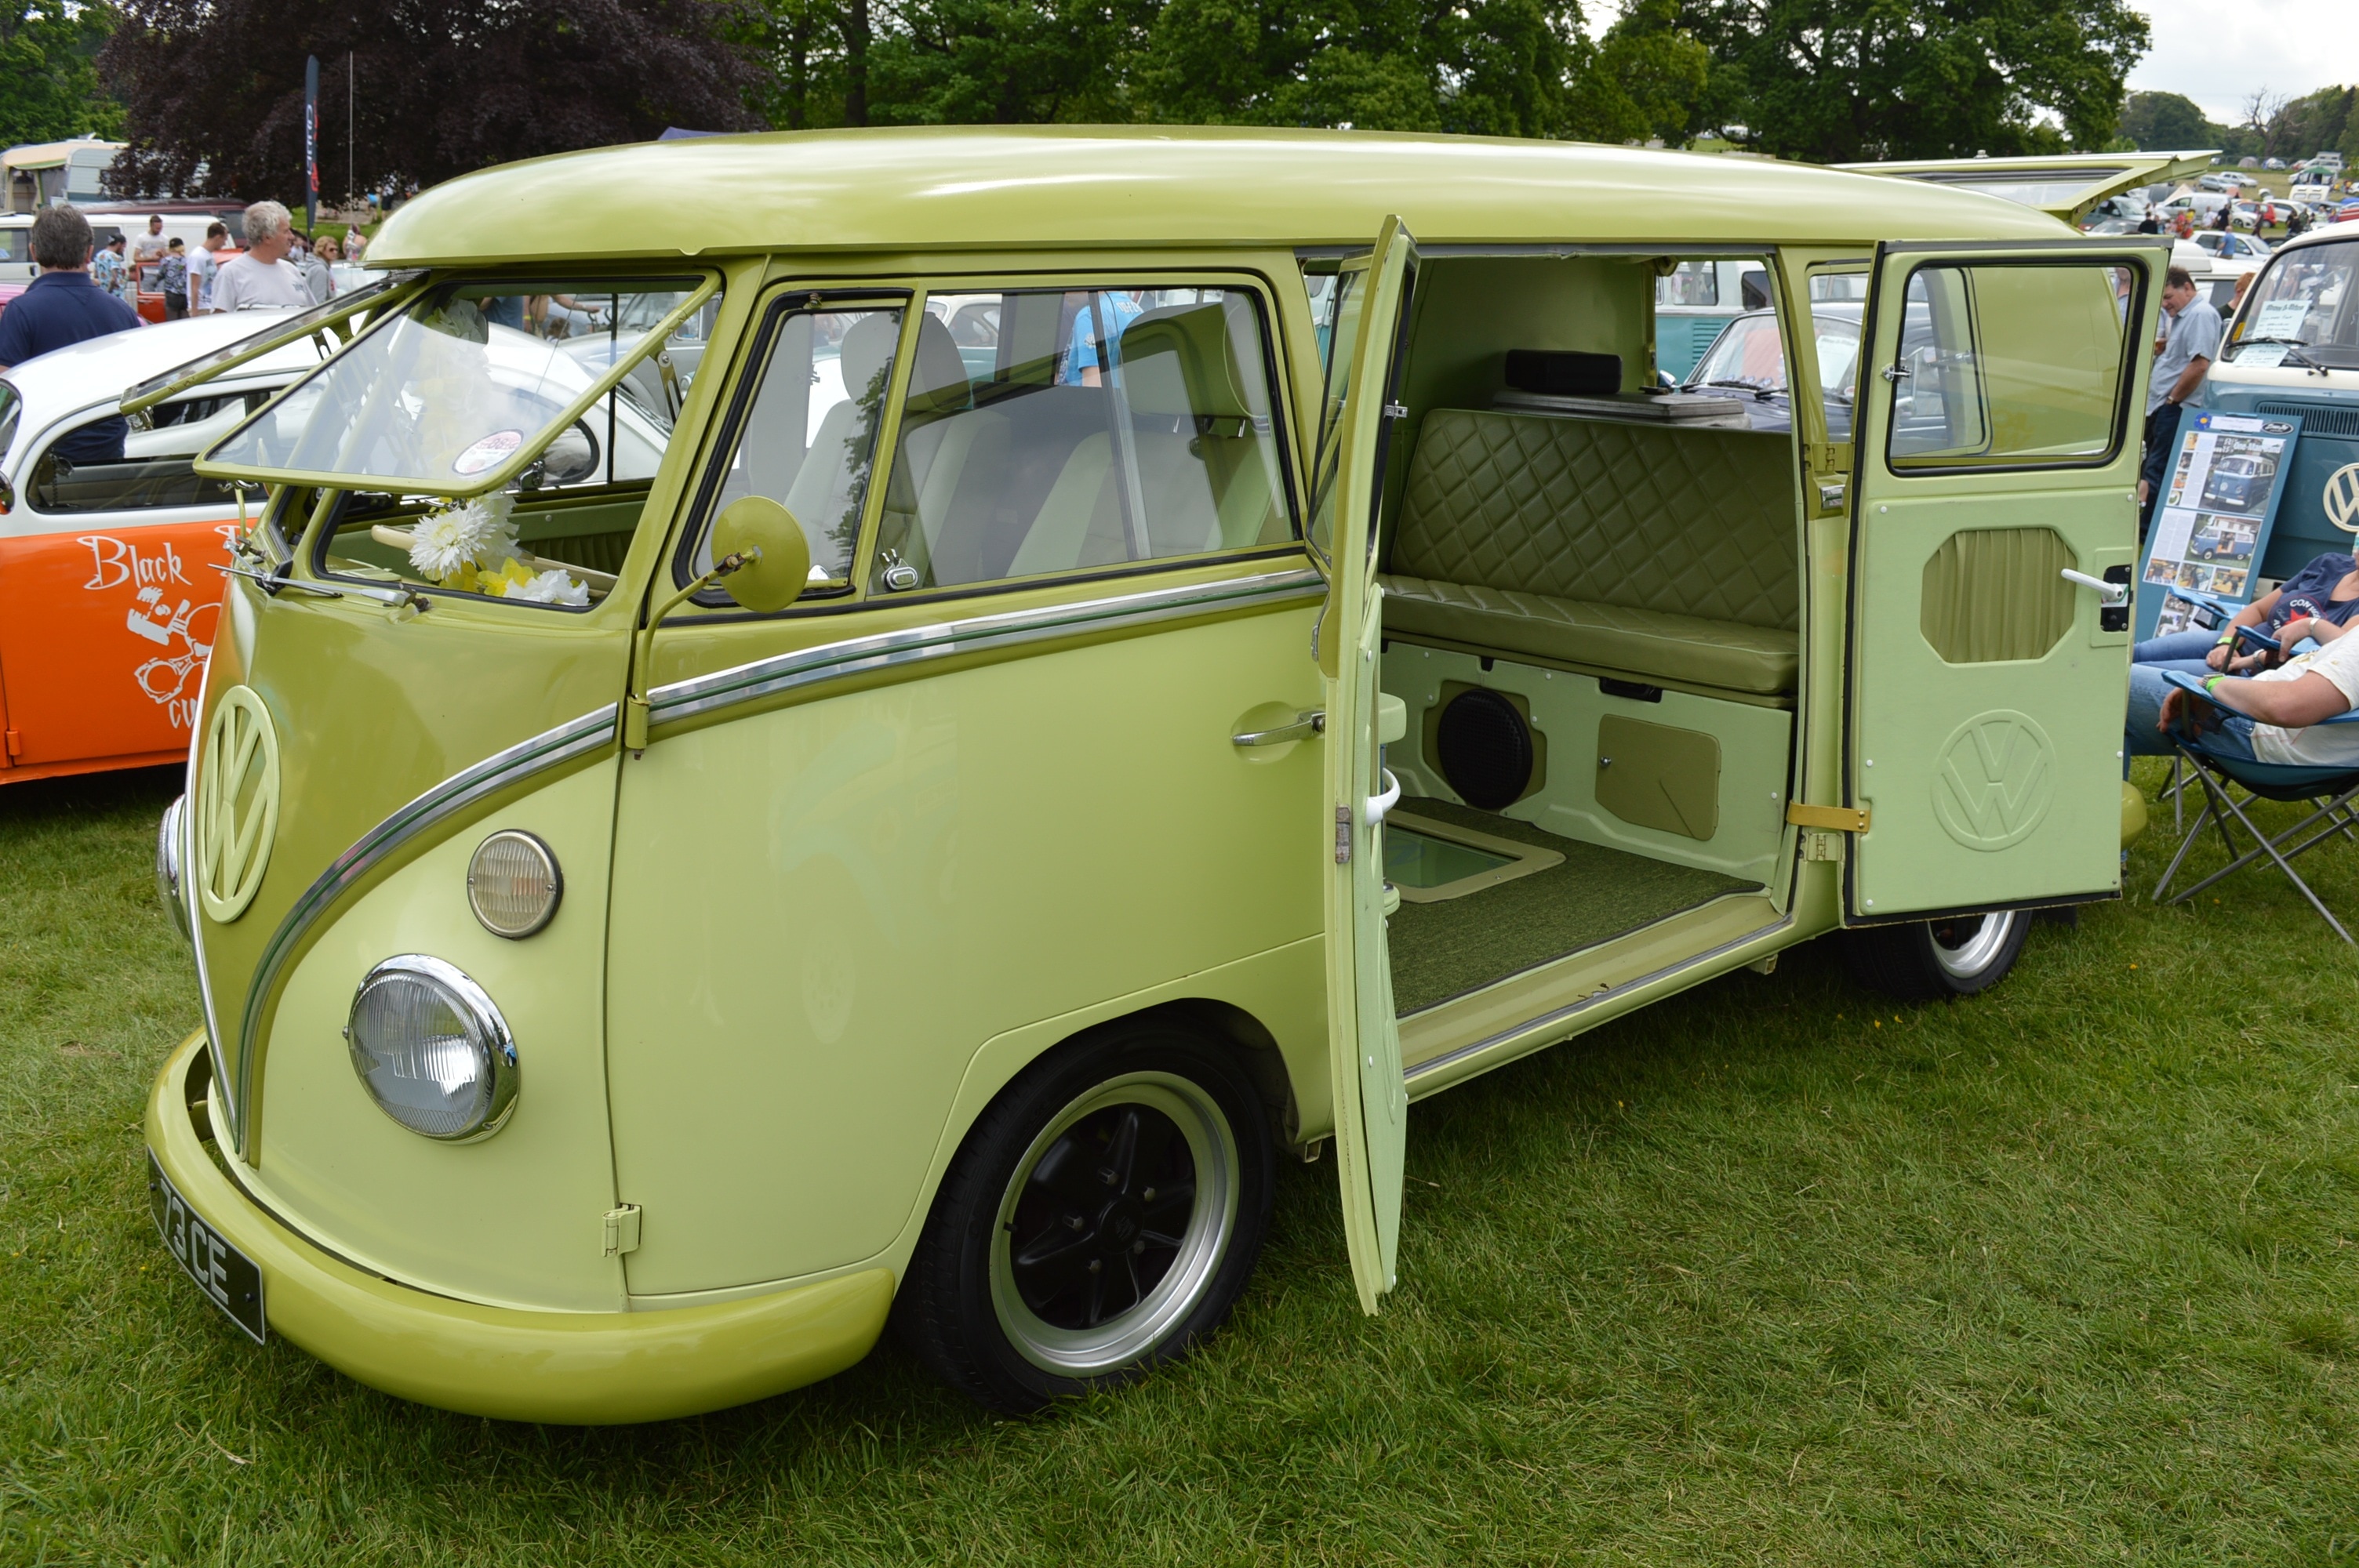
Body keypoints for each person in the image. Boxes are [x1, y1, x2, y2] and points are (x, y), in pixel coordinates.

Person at [0, 206, 141, 461]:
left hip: (43, 458)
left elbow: (5, 395)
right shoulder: (122, 312)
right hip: (111, 459)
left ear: (34, 252)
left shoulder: (21, 311)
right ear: (89, 253)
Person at [2128, 623, 2359, 773]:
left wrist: (2210, 683)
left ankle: (2106, 844)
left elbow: (2286, 706)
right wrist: (2312, 625)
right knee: (2107, 730)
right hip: (2272, 728)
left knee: (2110, 684)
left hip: (2258, 731)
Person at [2134, 550, 2359, 677]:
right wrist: (2224, 643)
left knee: (2136, 676)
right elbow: (2259, 610)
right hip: (2236, 640)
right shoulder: (2329, 564)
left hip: (2255, 672)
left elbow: (2339, 653)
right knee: (2135, 654)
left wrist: (2244, 662)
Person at [2137, 267, 2220, 541]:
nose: (2165, 304)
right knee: (2151, 466)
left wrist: (2173, 400)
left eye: (2169, 296)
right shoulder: (2186, 316)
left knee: (2158, 469)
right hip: (2164, 405)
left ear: (2187, 288)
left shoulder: (2201, 315)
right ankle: (2144, 526)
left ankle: (2147, 531)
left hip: (2175, 407)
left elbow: (2199, 364)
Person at [209, 201, 311, 312]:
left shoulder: (292, 270)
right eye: (286, 231)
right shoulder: (231, 274)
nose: (291, 236)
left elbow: (313, 315)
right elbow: (219, 322)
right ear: (267, 237)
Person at [190, 221, 229, 313]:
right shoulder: (198, 256)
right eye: (224, 240)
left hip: (210, 305)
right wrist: (194, 312)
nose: (224, 244)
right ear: (218, 238)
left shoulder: (209, 255)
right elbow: (194, 287)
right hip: (201, 307)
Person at [90, 233, 135, 307]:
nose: (123, 250)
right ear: (119, 244)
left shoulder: (99, 255)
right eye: (123, 247)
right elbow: (114, 279)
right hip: (116, 296)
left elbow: (95, 275)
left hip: (103, 295)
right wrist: (108, 293)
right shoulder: (114, 257)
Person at [157, 236, 189, 319]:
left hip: (171, 294)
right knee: (184, 320)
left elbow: (160, 275)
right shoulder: (186, 261)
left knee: (172, 321)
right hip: (184, 294)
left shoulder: (166, 261)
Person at [131, 214, 169, 278]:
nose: (159, 230)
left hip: (161, 271)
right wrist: (151, 258)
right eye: (157, 228)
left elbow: (168, 257)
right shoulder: (142, 238)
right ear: (151, 226)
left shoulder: (165, 238)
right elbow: (136, 258)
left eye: (160, 228)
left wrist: (162, 254)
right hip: (147, 272)